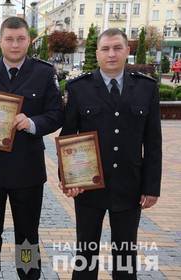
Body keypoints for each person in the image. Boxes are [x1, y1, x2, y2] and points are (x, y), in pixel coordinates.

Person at [0, 17, 63, 280]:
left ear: (29, 40)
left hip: (27, 171)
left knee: (27, 234)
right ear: (0, 41)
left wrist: (31, 123)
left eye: (20, 39)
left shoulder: (44, 72)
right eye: (9, 39)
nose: (15, 44)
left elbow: (56, 114)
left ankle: (28, 275)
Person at [60, 28, 162, 280]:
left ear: (128, 51)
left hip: (130, 185)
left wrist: (151, 186)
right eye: (105, 49)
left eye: (117, 47)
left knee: (126, 254)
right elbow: (68, 137)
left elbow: (153, 142)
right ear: (97, 54)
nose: (112, 54)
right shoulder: (79, 88)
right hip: (88, 186)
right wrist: (68, 180)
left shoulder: (146, 89)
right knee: (86, 251)